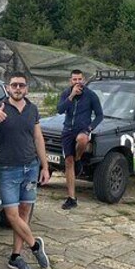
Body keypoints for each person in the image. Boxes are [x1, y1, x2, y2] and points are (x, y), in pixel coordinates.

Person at [0, 72, 51, 269]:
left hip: (30, 167)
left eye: (21, 85)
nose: (18, 88)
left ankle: (16, 256)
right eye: (14, 85)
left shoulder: (32, 109)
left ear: (26, 89)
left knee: (24, 213)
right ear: (8, 87)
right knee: (11, 215)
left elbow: (38, 138)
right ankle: (35, 245)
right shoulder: (0, 107)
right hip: (9, 169)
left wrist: (44, 166)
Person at [56, 69, 103, 210]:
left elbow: (100, 115)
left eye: (79, 79)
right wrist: (71, 96)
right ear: (71, 81)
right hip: (67, 130)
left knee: (82, 139)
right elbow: (59, 110)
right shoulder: (66, 93)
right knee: (68, 162)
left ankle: (78, 159)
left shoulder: (91, 95)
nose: (77, 82)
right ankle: (71, 198)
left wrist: (89, 128)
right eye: (74, 79)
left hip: (83, 129)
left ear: (83, 80)